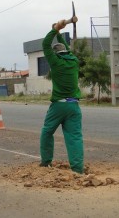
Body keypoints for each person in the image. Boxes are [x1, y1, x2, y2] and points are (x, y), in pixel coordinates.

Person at [39, 19, 84, 174]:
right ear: (66, 52)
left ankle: (46, 162)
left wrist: (55, 29)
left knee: (47, 132)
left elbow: (45, 44)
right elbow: (66, 49)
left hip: (59, 105)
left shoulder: (56, 62)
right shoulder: (74, 61)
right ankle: (78, 169)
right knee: (74, 137)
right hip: (74, 106)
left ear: (56, 54)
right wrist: (58, 33)